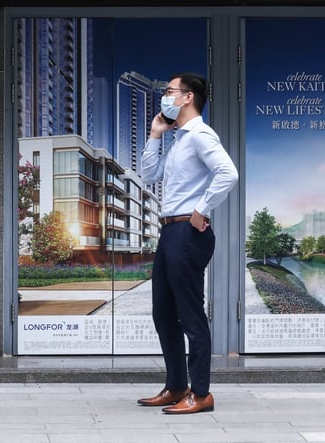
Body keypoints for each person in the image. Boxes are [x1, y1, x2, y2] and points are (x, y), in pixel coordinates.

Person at [136, 72, 238, 415]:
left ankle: (202, 392)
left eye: (169, 91)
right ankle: (177, 385)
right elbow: (148, 175)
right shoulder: (179, 139)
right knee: (163, 312)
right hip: (170, 232)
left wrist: (201, 208)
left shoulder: (200, 134)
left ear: (187, 97)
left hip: (187, 232)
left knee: (191, 314)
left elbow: (228, 172)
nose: (165, 96)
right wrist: (155, 136)